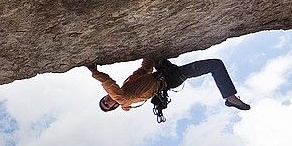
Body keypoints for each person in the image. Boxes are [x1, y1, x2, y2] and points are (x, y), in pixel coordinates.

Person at [90, 57, 250, 120]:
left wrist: (148, 55)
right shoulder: (123, 98)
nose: (107, 100)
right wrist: (94, 71)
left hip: (164, 71)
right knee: (215, 65)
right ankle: (230, 98)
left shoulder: (126, 89)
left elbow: (144, 71)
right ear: (115, 106)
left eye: (104, 101)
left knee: (215, 65)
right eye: (107, 105)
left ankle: (229, 97)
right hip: (171, 78)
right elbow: (108, 83)